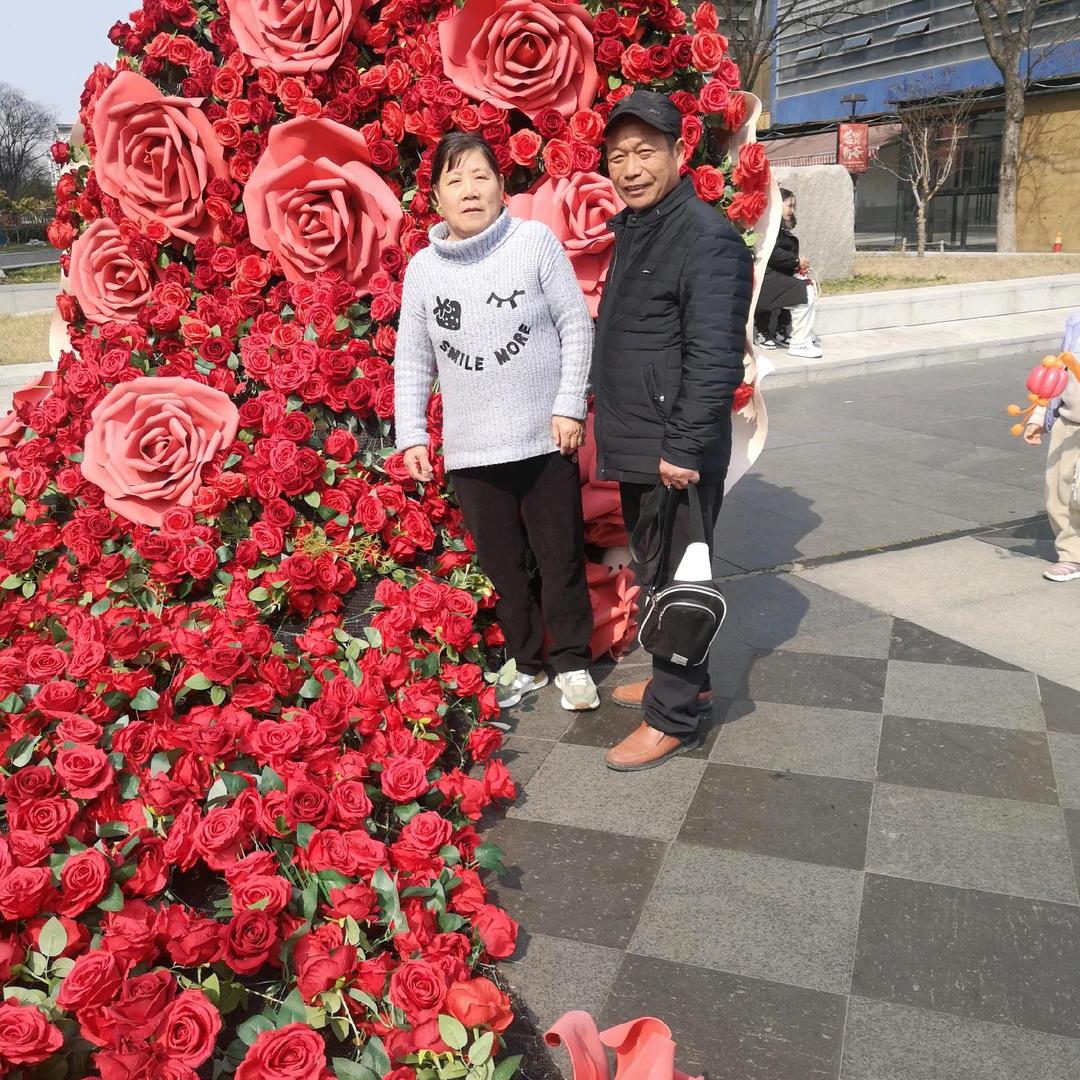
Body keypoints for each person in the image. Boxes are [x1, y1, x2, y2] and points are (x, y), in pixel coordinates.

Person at [394, 132, 600, 712]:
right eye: (454, 179)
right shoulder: (423, 271)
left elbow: (575, 325)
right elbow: (413, 357)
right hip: (472, 451)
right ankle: (527, 660)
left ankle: (573, 664)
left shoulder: (534, 243)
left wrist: (567, 405)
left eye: (481, 175)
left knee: (560, 557)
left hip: (543, 440)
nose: (470, 189)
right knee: (504, 567)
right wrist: (411, 433)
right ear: (435, 199)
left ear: (502, 187)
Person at [592, 89, 753, 770]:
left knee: (683, 579)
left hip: (672, 448)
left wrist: (684, 447)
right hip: (642, 440)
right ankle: (683, 681)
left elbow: (714, 354)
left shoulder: (705, 235)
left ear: (680, 155)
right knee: (663, 571)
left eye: (645, 152)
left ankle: (673, 717)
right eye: (619, 154)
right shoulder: (641, 225)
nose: (630, 167)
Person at [1023, 333, 1080, 583]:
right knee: (1060, 491)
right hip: (1069, 423)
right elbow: (1054, 378)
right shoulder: (1076, 325)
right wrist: (1038, 418)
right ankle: (1072, 554)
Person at [756, 189, 822, 360]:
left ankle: (781, 332)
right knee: (803, 290)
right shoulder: (768, 229)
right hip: (764, 280)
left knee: (801, 285)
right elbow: (770, 254)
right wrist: (796, 262)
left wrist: (798, 268)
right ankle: (797, 343)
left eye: (793, 206)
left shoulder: (782, 233)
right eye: (789, 205)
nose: (791, 209)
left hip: (776, 280)